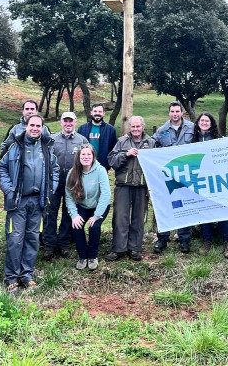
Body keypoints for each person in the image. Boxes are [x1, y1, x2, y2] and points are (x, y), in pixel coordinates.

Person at [0, 115, 59, 294]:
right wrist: (9, 190)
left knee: (32, 238)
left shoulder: (46, 147)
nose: (35, 128)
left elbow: (54, 169)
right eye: (32, 125)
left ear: (42, 128)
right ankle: (11, 277)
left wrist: (50, 189)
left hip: (38, 202)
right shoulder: (14, 146)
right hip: (18, 201)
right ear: (26, 126)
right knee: (15, 239)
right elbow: (1, 168)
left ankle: (27, 275)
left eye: (38, 126)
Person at [107, 116, 156, 261]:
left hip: (141, 187)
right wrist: (126, 154)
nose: (135, 129)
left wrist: (151, 186)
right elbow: (112, 161)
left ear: (143, 127)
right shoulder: (122, 141)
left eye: (138, 126)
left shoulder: (151, 143)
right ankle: (118, 249)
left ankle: (134, 248)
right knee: (120, 217)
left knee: (138, 218)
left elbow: (154, 167)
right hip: (123, 185)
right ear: (130, 127)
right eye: (133, 126)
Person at [44, 112, 89, 261]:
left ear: (75, 122)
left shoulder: (82, 140)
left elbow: (87, 161)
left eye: (71, 121)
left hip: (72, 184)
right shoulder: (52, 139)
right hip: (54, 184)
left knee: (68, 214)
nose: (68, 123)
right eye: (65, 121)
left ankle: (64, 244)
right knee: (50, 214)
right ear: (61, 122)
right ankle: (49, 245)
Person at [153, 102, 195, 253]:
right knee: (165, 206)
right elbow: (150, 143)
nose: (175, 114)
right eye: (172, 111)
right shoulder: (162, 130)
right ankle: (162, 238)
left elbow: (203, 141)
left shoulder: (192, 128)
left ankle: (184, 240)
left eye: (177, 111)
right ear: (169, 113)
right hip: (168, 175)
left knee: (185, 205)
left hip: (186, 174)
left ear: (182, 113)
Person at [192, 112, 228, 259]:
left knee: (223, 212)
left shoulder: (219, 140)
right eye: (202, 120)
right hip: (201, 182)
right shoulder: (193, 140)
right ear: (198, 123)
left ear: (211, 123)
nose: (204, 123)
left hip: (217, 181)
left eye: (207, 121)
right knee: (204, 212)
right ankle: (206, 241)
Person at [65, 145, 111, 270]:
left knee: (93, 227)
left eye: (89, 154)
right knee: (77, 225)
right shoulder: (72, 173)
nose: (86, 157)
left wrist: (96, 216)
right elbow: (68, 196)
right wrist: (74, 215)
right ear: (78, 157)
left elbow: (106, 194)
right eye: (83, 154)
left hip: (100, 205)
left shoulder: (100, 170)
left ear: (93, 156)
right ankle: (82, 256)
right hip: (83, 205)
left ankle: (92, 256)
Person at [77, 103, 118, 171]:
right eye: (95, 111)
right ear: (91, 112)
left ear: (103, 113)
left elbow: (113, 149)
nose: (97, 113)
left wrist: (109, 164)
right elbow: (78, 148)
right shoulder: (82, 129)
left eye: (100, 111)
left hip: (102, 166)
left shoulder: (110, 130)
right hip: (85, 165)